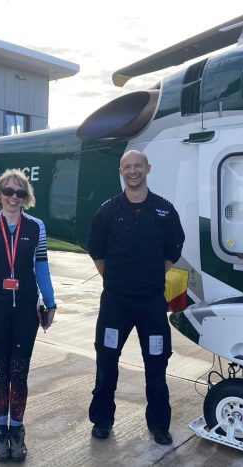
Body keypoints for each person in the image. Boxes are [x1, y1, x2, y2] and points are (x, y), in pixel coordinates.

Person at [87, 149, 185, 445]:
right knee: (106, 361)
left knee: (156, 363)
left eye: (138, 166)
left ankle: (159, 424)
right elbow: (97, 251)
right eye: (127, 166)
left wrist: (152, 275)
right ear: (121, 171)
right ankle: (102, 420)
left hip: (152, 303)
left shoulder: (165, 211)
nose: (133, 171)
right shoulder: (108, 211)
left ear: (148, 169)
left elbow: (173, 250)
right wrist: (115, 279)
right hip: (116, 302)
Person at [0, 169, 57, 462]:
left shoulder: (36, 227)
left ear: (26, 197)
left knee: (20, 372)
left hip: (26, 309)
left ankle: (17, 432)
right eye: (7, 191)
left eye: (19, 193)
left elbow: (42, 266)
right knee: (1, 371)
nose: (13, 197)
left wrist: (51, 300)